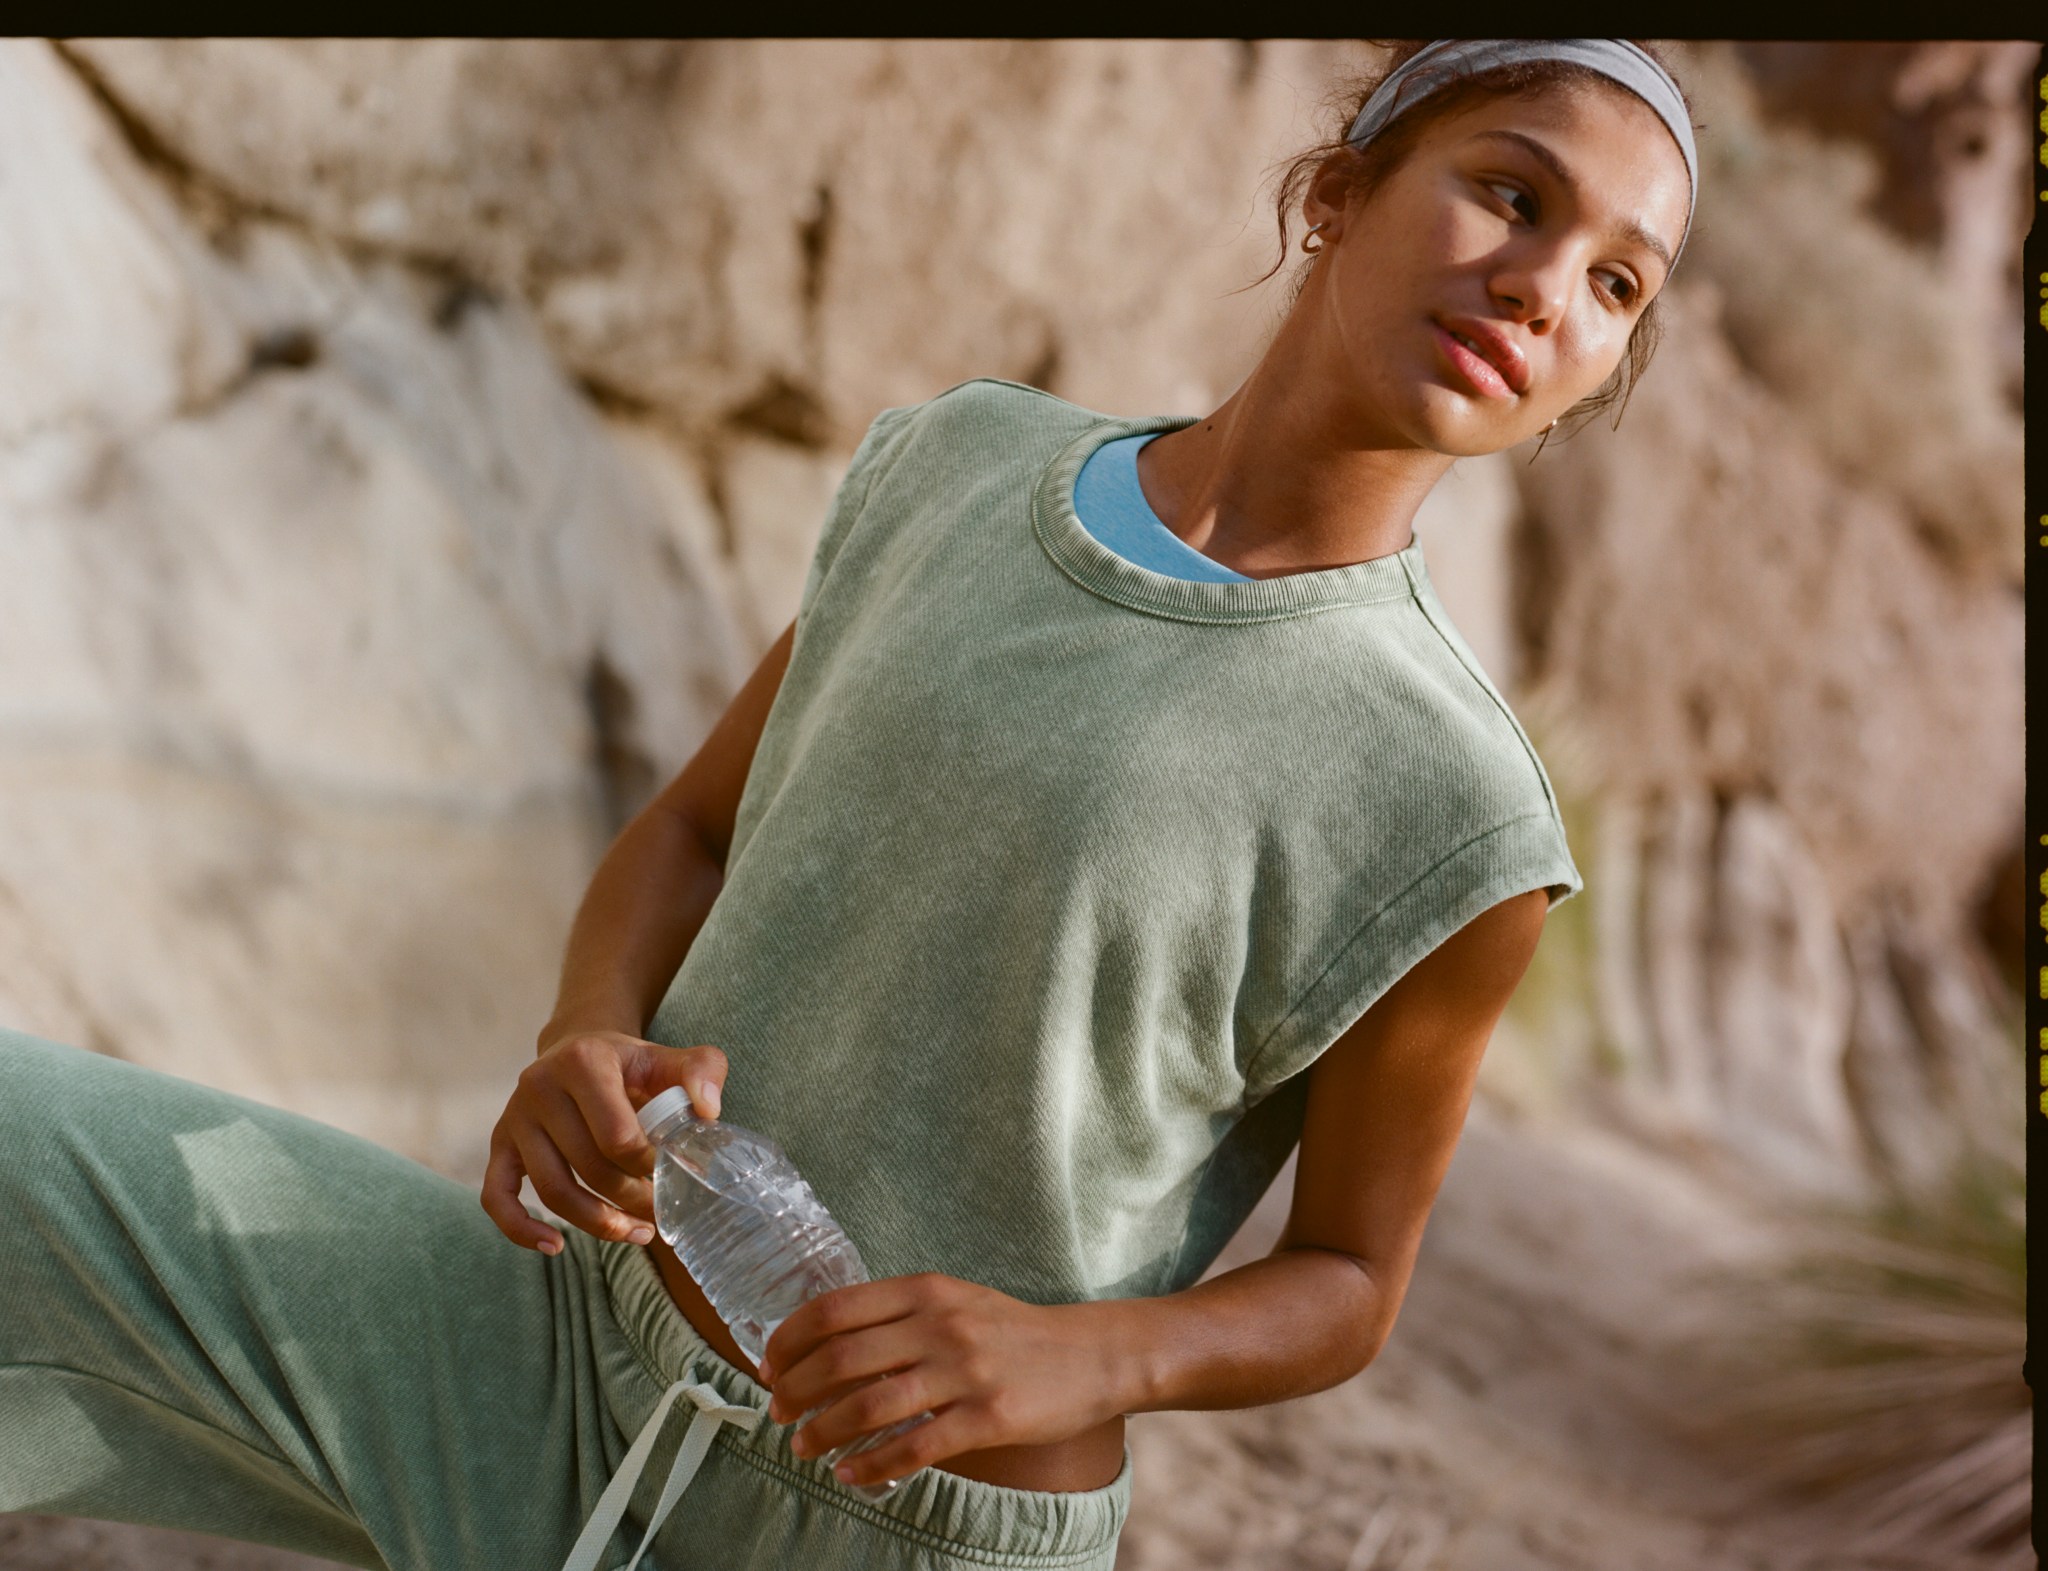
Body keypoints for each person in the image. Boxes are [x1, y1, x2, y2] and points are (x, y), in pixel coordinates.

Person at [0, 37, 1698, 1571]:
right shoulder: (961, 466)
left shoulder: (1462, 810)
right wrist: (585, 1034)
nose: (1547, 285)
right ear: (1337, 193)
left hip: (903, 1529)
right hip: (542, 1344)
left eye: (1619, 283)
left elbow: (1346, 1284)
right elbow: (688, 832)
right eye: (1510, 192)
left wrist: (1084, 1354)